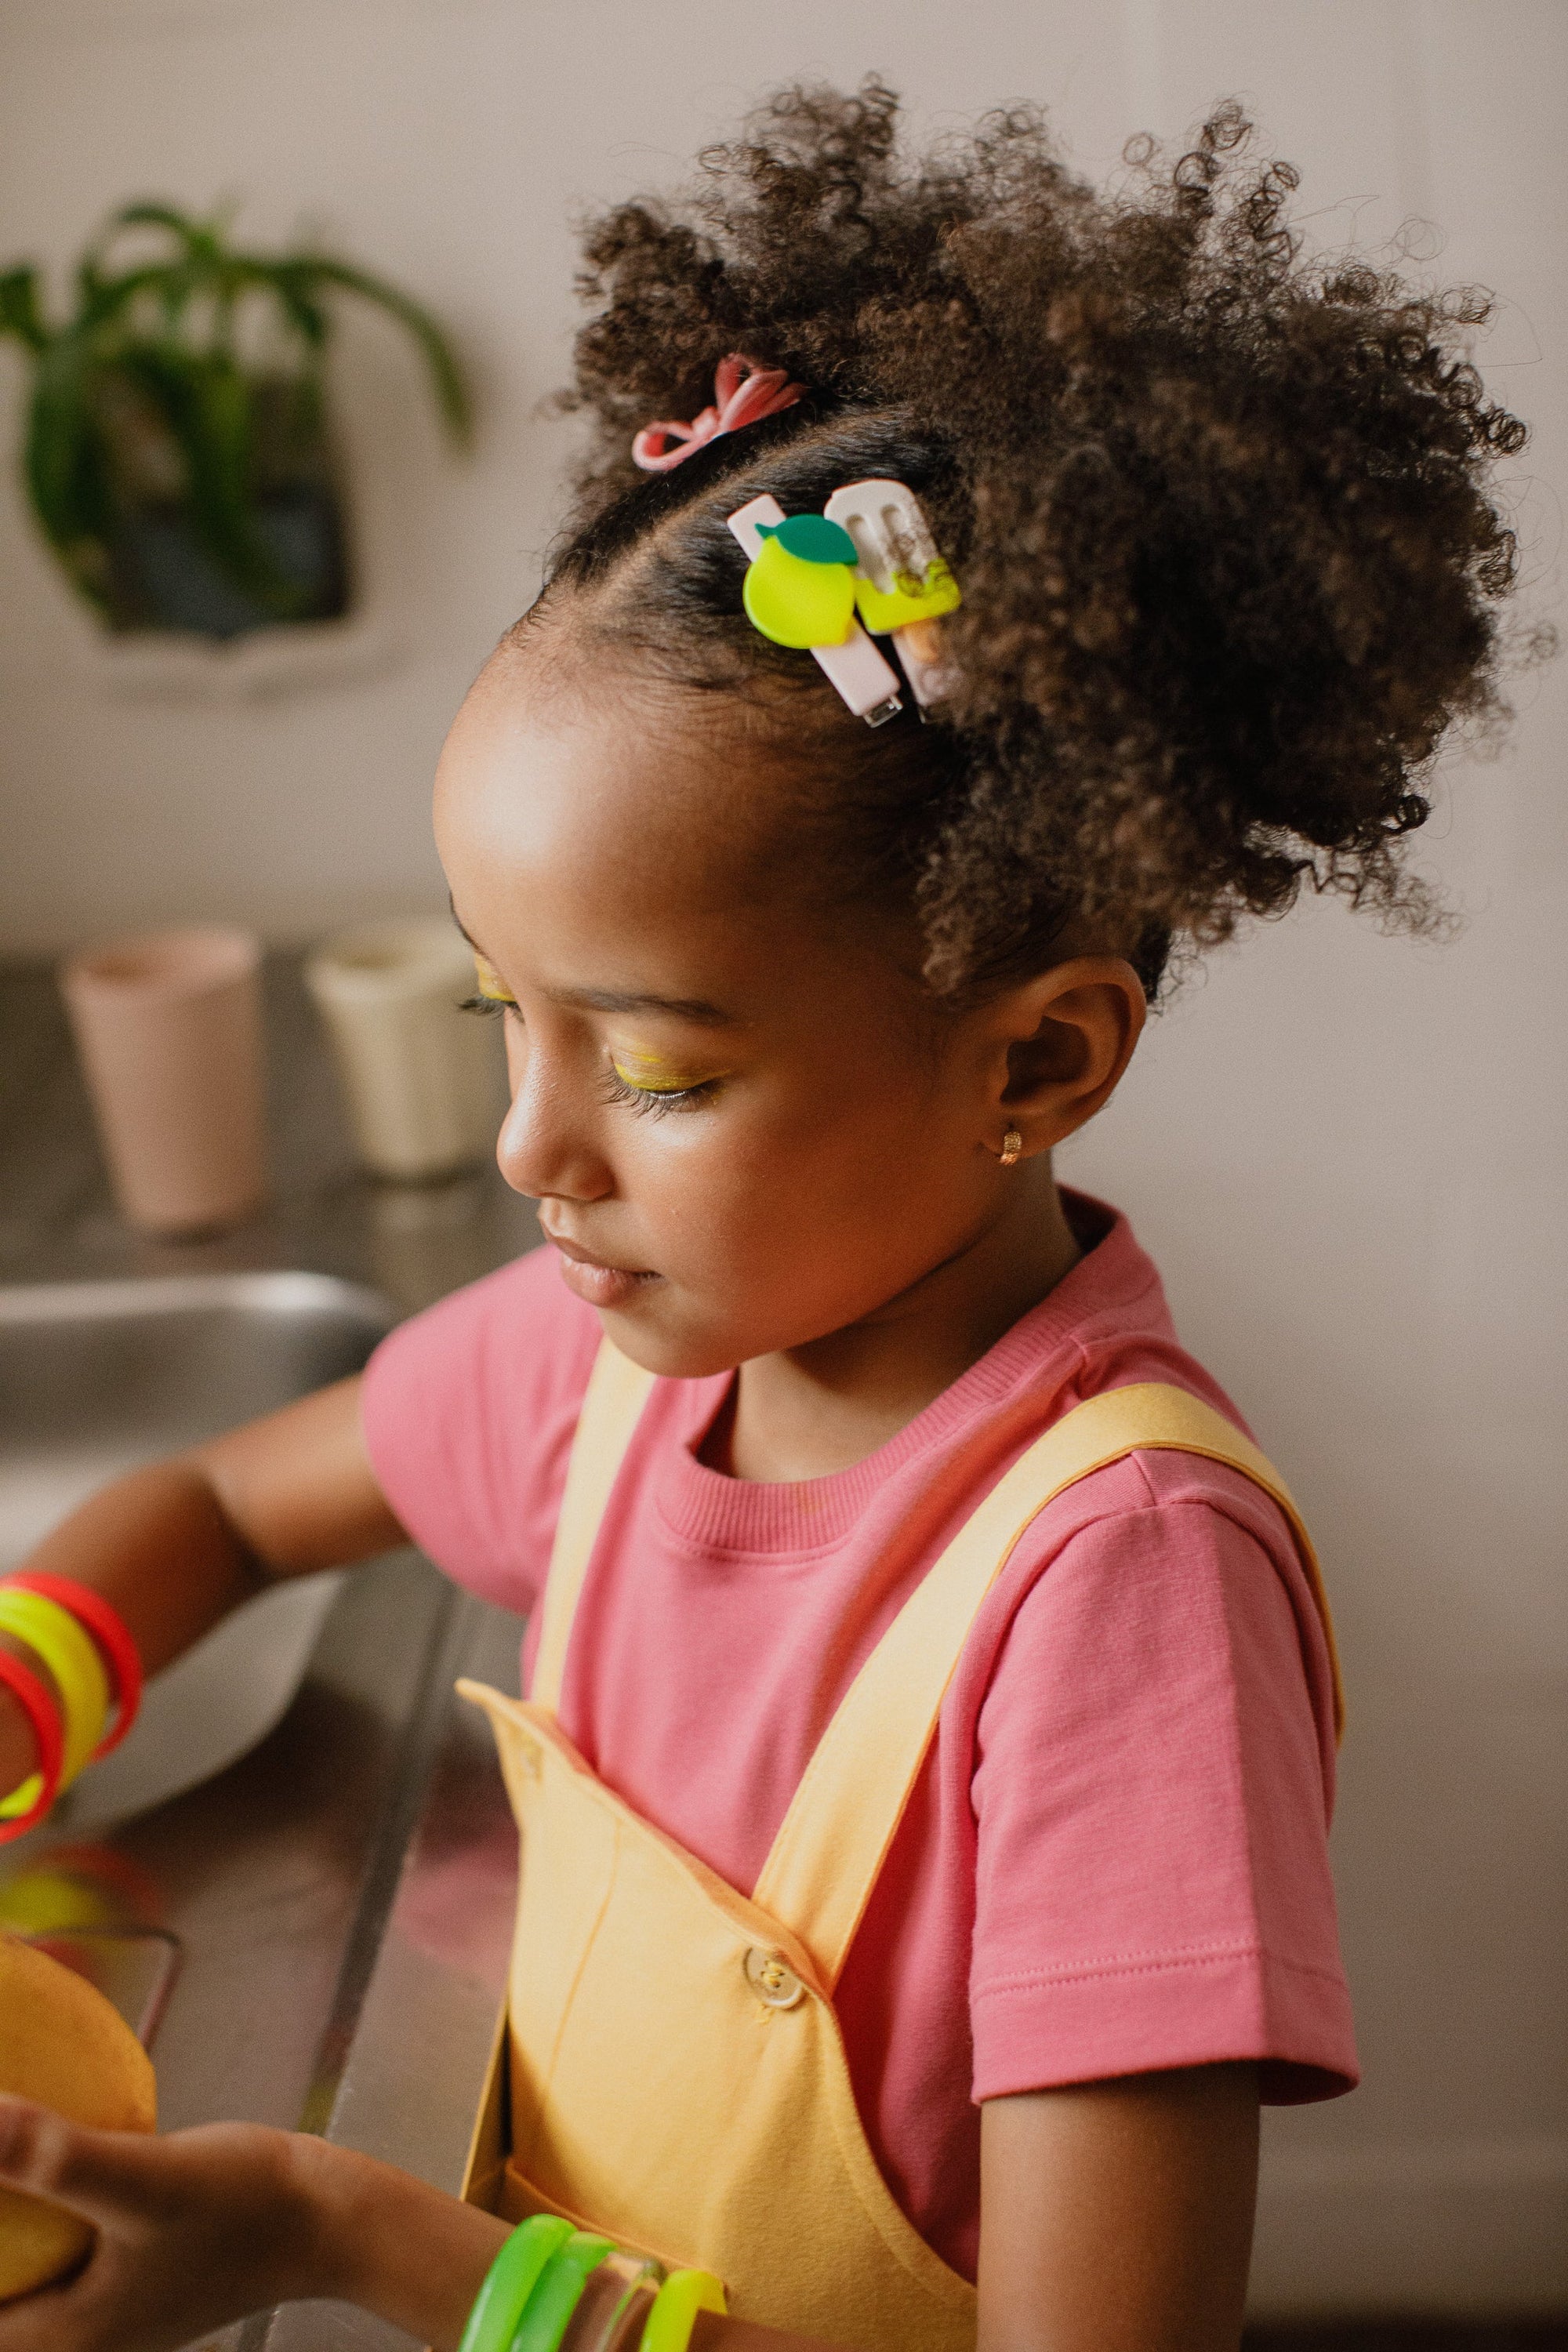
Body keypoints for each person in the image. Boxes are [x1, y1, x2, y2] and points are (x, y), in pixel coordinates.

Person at [0, 82, 1534, 2352]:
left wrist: (368, 2243)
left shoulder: (1115, 1602)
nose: (535, 1149)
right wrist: (33, 1676)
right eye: (497, 1012)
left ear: (1037, 1059)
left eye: (659, 1069)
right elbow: (226, 1500)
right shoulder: (616, 1365)